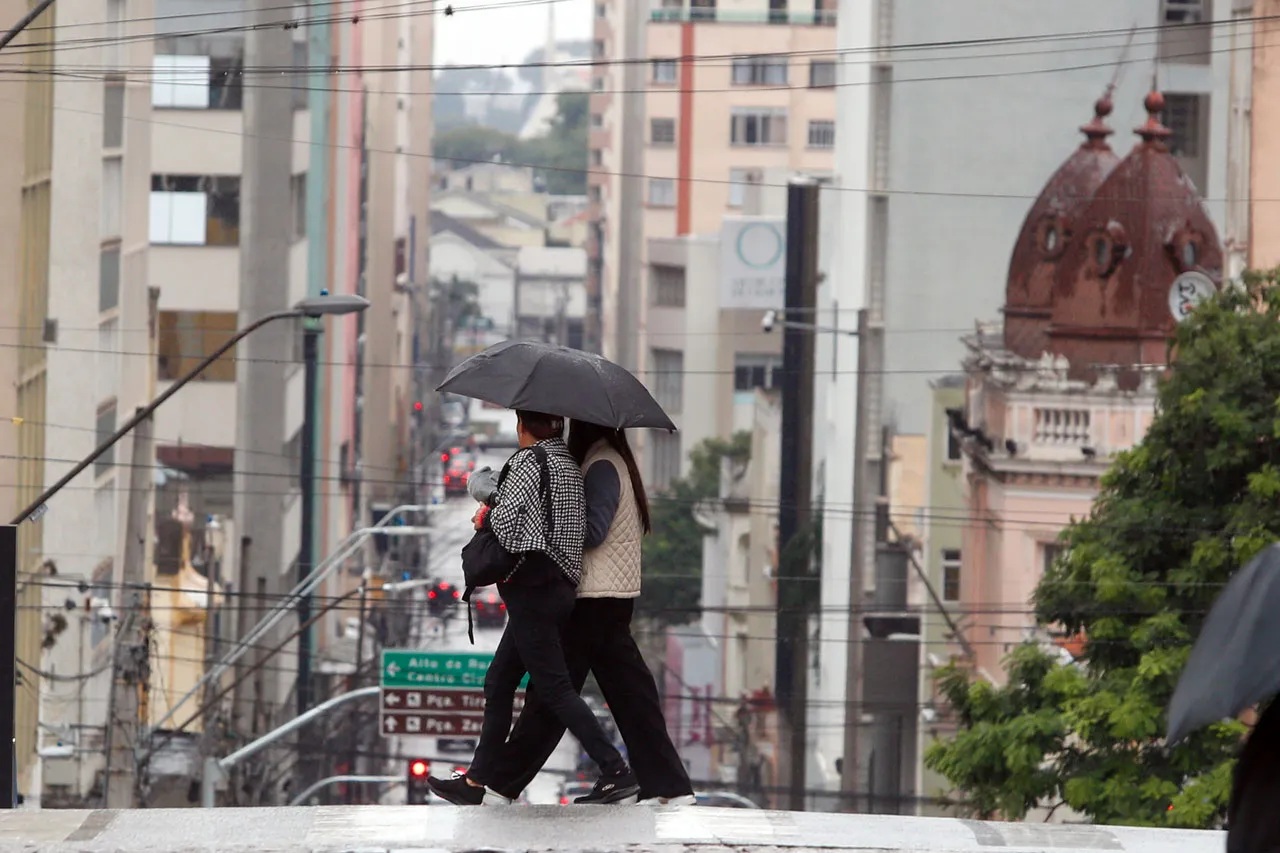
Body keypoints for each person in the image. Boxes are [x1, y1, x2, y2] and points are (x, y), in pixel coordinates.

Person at [427, 411, 640, 807]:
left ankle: (615, 770)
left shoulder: (529, 461)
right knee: (499, 682)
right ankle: (477, 780)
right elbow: (569, 529)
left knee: (555, 689)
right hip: (557, 589)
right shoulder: (567, 464)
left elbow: (509, 530)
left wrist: (488, 505)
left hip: (532, 593)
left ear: (522, 424)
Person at [478, 419, 695, 806]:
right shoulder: (609, 461)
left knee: (551, 695)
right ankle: (668, 786)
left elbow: (592, 531)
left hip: (593, 597)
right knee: (632, 696)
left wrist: (545, 524)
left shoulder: (602, 466)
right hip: (611, 597)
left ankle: (500, 784)